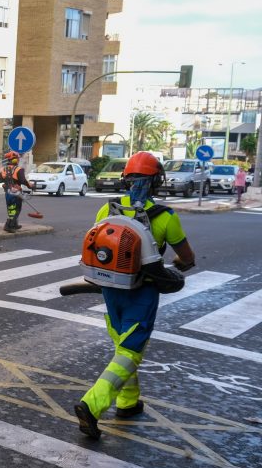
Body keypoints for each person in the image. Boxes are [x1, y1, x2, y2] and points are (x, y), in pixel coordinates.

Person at [74, 151, 196, 440]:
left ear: (126, 180)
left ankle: (127, 402)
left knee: (124, 346)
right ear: (155, 182)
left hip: (110, 289)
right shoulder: (165, 217)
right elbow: (187, 258)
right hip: (142, 292)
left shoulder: (107, 211)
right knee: (131, 351)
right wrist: (175, 268)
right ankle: (93, 403)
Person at [0, 151, 34, 232]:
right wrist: (29, 185)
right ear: (15, 160)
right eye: (17, 159)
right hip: (16, 192)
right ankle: (8, 226)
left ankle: (14, 224)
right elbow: (23, 180)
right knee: (17, 209)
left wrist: (6, 180)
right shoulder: (18, 169)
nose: (17, 160)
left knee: (10, 208)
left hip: (7, 192)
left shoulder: (4, 169)